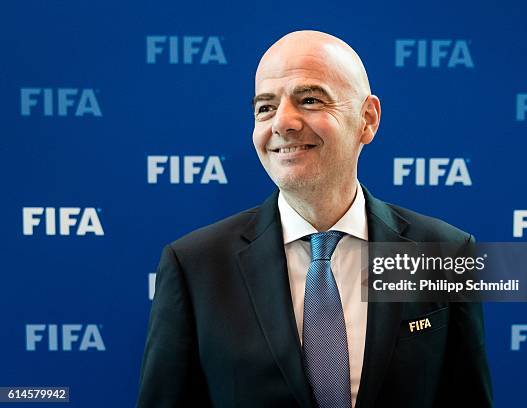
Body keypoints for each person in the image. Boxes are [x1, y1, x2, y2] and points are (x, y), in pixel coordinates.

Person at [137, 30, 493, 408]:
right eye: (266, 107)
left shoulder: (443, 252)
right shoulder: (194, 266)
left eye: (309, 100)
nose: (283, 123)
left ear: (367, 120)